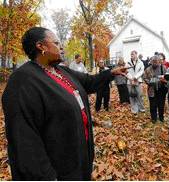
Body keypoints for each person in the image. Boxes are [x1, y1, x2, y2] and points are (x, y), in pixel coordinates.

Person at [1, 27, 126, 180]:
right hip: (57, 170)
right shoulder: (22, 82)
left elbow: (89, 82)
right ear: (41, 46)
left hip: (78, 160)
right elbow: (25, 143)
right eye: (56, 43)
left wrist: (111, 73)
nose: (61, 47)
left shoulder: (61, 71)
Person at [143, 55, 168, 123]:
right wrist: (149, 82)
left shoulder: (163, 68)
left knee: (161, 104)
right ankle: (153, 118)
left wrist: (163, 79)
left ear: (159, 62)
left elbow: (167, 77)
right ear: (151, 61)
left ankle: (161, 117)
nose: (154, 63)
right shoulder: (148, 69)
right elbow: (144, 78)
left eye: (156, 62)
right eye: (153, 62)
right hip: (152, 89)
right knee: (153, 105)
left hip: (161, 89)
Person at [126, 50, 145, 114]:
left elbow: (141, 71)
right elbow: (126, 71)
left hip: (138, 81)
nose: (132, 56)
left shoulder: (140, 62)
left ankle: (141, 108)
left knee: (139, 95)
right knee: (132, 96)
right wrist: (131, 79)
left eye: (133, 54)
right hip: (130, 82)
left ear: (136, 54)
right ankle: (134, 110)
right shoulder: (128, 62)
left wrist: (135, 77)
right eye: (131, 54)